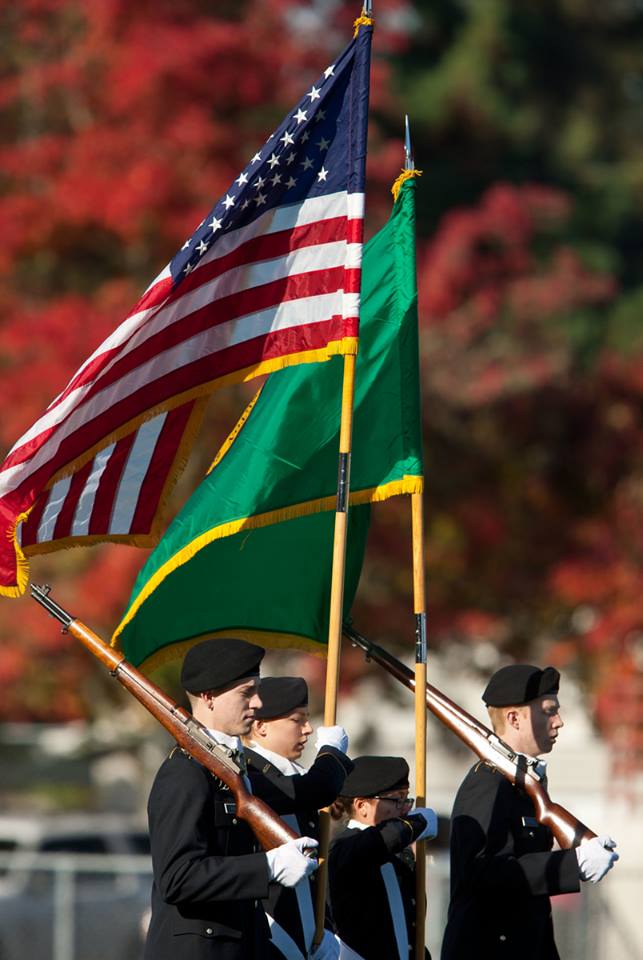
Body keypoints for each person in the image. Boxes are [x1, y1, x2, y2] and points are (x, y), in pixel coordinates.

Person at [144, 638, 318, 960]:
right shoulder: (184, 774)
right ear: (209, 696)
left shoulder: (233, 769)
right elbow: (178, 878)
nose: (256, 704)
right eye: (246, 693)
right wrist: (268, 867)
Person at [441, 663, 619, 960]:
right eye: (549, 710)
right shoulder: (488, 782)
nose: (559, 721)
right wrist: (571, 864)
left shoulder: (524, 784)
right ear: (514, 718)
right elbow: (481, 873)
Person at [245, 675, 354, 960]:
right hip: (270, 937)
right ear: (261, 726)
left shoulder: (296, 777)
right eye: (297, 720)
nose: (308, 730)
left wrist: (323, 929)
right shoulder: (248, 775)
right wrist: (330, 753)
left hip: (307, 937)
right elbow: (314, 790)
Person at [328, 755, 438, 960]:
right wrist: (417, 823)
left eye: (407, 799)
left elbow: (409, 930)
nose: (406, 808)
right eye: (397, 800)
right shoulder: (345, 847)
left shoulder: (396, 855)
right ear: (362, 806)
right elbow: (377, 842)